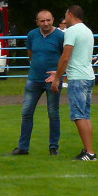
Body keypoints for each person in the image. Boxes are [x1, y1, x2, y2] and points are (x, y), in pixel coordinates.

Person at [9, 10, 64, 156]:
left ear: (53, 20)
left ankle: (53, 147)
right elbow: (31, 55)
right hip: (33, 79)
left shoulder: (60, 36)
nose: (46, 23)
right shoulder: (32, 35)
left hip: (52, 80)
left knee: (53, 113)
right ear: (37, 22)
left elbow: (65, 57)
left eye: (48, 20)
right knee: (26, 112)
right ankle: (23, 147)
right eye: (42, 21)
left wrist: (57, 76)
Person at [52, 5, 97, 161]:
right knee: (86, 115)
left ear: (70, 14)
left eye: (65, 15)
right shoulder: (87, 30)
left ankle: (90, 153)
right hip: (88, 76)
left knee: (78, 116)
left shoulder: (71, 31)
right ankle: (88, 150)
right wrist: (58, 73)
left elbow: (66, 57)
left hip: (78, 78)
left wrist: (57, 78)